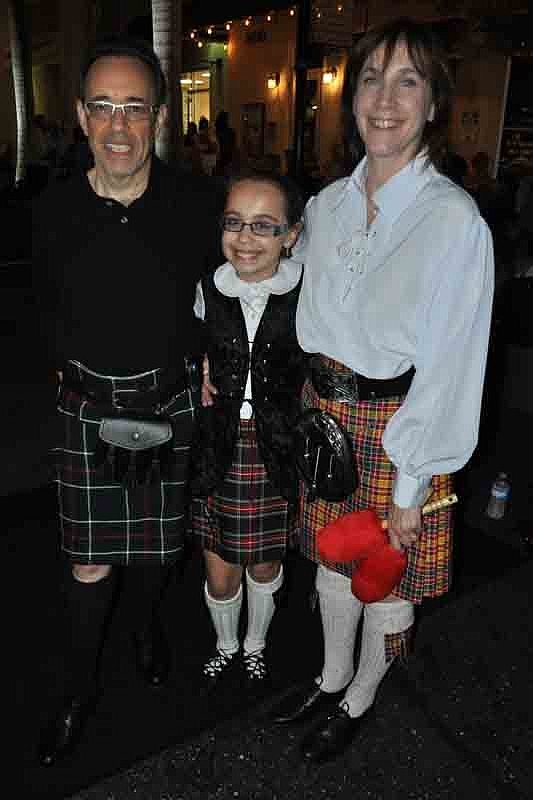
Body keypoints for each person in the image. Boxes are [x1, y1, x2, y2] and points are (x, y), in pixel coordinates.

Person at [269, 17, 494, 763]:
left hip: (403, 423)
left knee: (385, 573)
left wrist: (411, 481)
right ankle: (331, 674)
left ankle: (362, 693)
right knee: (331, 560)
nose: (385, 99)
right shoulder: (328, 204)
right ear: (351, 97)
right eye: (370, 79)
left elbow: (453, 363)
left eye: (408, 81)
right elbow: (295, 295)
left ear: (432, 103)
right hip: (323, 413)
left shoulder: (452, 221)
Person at [32, 36, 223, 766]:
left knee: (158, 549)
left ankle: (145, 628)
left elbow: (226, 300)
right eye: (103, 107)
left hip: (170, 401)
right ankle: (77, 691)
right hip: (86, 407)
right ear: (81, 115)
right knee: (88, 561)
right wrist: (58, 376)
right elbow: (40, 307)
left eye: (134, 108)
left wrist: (215, 369)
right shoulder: (50, 212)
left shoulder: (197, 207)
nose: (118, 126)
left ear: (158, 118)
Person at [190, 171, 307, 691]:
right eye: (234, 223)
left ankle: (255, 644)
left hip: (277, 450)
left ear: (292, 235)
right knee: (220, 572)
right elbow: (184, 346)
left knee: (263, 567)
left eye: (264, 226)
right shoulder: (205, 289)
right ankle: (225, 644)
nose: (244, 238)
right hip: (217, 447)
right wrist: (196, 372)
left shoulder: (310, 291)